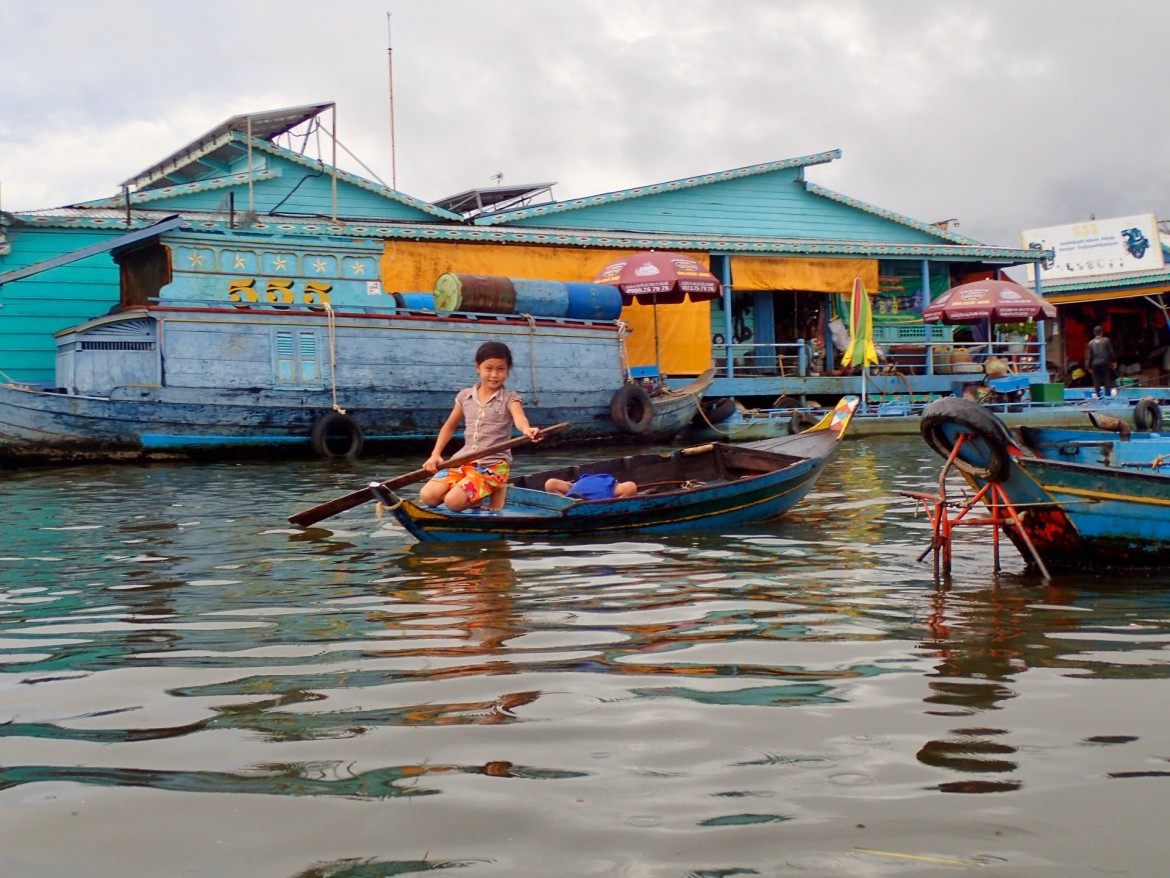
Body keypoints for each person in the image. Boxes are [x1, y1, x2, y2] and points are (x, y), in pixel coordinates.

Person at [420, 341, 541, 512]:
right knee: (428, 497)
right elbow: (449, 426)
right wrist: (435, 455)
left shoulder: (510, 399)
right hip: (463, 461)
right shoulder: (465, 396)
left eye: (500, 369)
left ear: (507, 370)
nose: (494, 375)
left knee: (452, 502)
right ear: (478, 368)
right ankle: (477, 491)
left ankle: (497, 486)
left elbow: (520, 419)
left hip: (493, 466)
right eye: (488, 368)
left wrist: (527, 430)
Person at [545, 473, 637, 500]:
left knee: (550, 483)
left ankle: (568, 502)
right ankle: (568, 502)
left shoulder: (611, 486)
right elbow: (631, 487)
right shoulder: (613, 486)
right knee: (631, 486)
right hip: (578, 488)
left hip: (577, 489)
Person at [1085, 325, 1117, 398]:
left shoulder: (1090, 343)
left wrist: (1088, 367)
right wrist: (1114, 361)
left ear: (1094, 333)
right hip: (1104, 363)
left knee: (1096, 380)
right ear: (1102, 332)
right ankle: (1107, 395)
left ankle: (1098, 395)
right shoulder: (1106, 340)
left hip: (1095, 364)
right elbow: (1111, 352)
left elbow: (1089, 356)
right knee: (1106, 379)